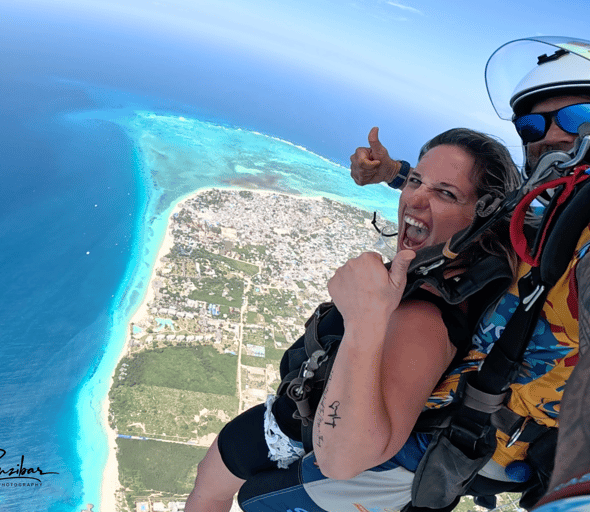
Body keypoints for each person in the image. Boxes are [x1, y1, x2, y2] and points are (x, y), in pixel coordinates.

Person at [350, 37, 590, 511]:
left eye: (576, 118)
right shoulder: (559, 211)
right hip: (439, 410)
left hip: (456, 444)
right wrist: (393, 173)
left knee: (266, 494)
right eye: (531, 125)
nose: (549, 136)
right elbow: (486, 206)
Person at [185, 127, 522, 512]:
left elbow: (342, 461)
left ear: (485, 216)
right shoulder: (455, 274)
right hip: (298, 423)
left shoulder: (425, 316)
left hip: (292, 433)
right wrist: (393, 172)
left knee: (208, 492)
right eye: (415, 181)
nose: (414, 197)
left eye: (445, 193)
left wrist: (364, 321)